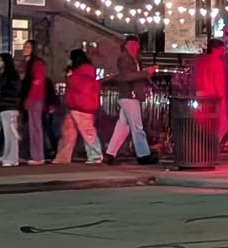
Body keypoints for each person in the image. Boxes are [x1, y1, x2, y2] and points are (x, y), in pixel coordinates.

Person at [103, 35, 155, 165]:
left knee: (123, 126)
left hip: (129, 95)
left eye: (136, 45)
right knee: (137, 127)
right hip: (130, 95)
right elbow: (126, 76)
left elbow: (128, 76)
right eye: (132, 45)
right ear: (126, 46)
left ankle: (110, 153)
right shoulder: (126, 59)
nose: (134, 47)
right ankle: (143, 155)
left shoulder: (131, 59)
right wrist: (146, 73)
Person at [54, 48, 103, 164]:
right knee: (68, 132)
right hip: (76, 106)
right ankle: (63, 157)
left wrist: (69, 77)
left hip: (80, 107)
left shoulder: (80, 73)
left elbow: (79, 86)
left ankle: (95, 155)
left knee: (86, 132)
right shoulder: (86, 72)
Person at [19, 39, 51, 165]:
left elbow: (37, 82)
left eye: (28, 47)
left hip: (34, 99)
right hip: (31, 98)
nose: (25, 49)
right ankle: (30, 154)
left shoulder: (36, 64)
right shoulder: (29, 64)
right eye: (24, 46)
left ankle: (37, 156)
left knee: (35, 128)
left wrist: (30, 98)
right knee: (31, 128)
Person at [194, 35, 228, 144]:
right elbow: (219, 84)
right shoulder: (217, 62)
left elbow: (197, 80)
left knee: (203, 125)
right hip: (213, 98)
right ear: (216, 49)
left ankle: (204, 144)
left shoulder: (201, 62)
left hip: (200, 97)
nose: (223, 52)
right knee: (219, 125)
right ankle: (214, 144)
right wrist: (223, 102)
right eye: (222, 49)